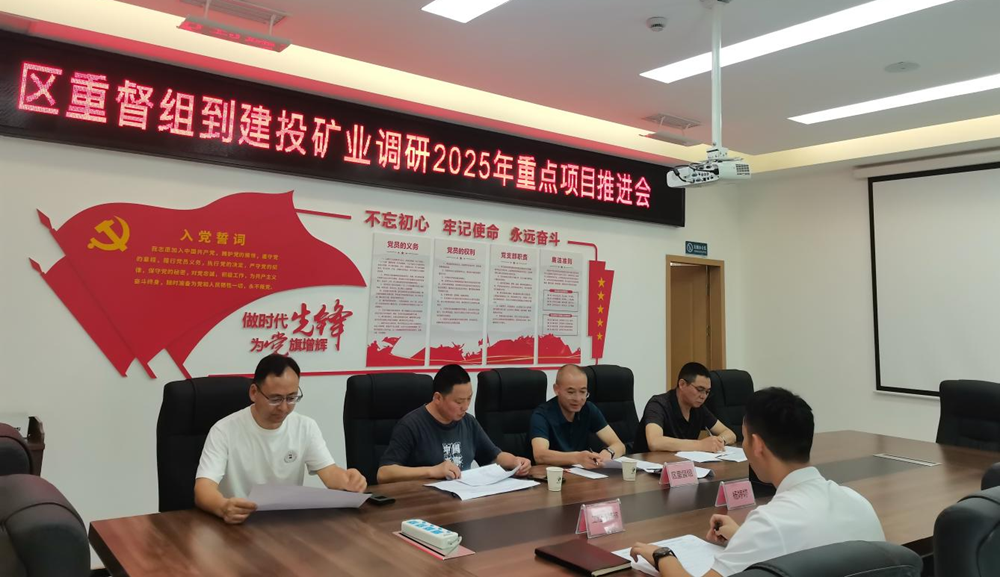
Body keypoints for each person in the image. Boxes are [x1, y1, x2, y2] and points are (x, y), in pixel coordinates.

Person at [629, 387, 885, 577]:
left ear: (758, 445)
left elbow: (778, 535)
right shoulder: (858, 502)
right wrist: (744, 537)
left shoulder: (770, 522)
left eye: (745, 438)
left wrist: (663, 555)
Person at [194, 354, 367, 524]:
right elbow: (203, 489)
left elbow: (330, 474)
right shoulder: (224, 430)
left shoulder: (305, 426)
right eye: (275, 399)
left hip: (286, 522)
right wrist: (223, 506)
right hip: (239, 522)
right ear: (254, 392)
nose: (284, 408)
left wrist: (348, 480)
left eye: (291, 398)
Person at [377, 364, 531, 483]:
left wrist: (515, 462)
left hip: (462, 497)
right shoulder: (411, 425)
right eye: (459, 402)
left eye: (469, 399)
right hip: (424, 503)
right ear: (438, 398)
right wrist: (432, 471)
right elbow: (384, 473)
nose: (465, 406)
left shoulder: (468, 422)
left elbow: (494, 456)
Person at [529, 364, 626, 469]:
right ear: (556, 389)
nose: (578, 398)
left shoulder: (588, 409)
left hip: (582, 474)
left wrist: (608, 452)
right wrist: (577, 458)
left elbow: (619, 445)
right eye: (571, 392)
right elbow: (540, 455)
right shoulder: (541, 415)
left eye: (583, 392)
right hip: (551, 475)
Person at [636, 362, 736, 453]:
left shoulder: (698, 408)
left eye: (707, 392)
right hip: (648, 464)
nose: (703, 396)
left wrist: (719, 441)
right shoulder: (658, 405)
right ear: (682, 384)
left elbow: (730, 434)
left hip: (681, 463)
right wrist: (701, 445)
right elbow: (655, 442)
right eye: (699, 389)